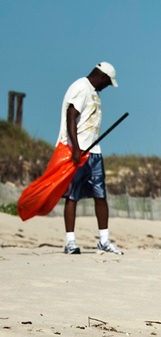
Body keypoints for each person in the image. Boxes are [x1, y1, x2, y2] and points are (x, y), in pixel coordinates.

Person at [59, 62, 123, 255]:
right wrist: (76, 149)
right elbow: (71, 117)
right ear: (102, 76)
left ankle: (104, 240)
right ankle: (70, 242)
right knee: (72, 196)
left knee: (100, 194)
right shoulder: (81, 87)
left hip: (94, 151)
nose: (107, 87)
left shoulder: (94, 92)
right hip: (77, 152)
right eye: (108, 83)